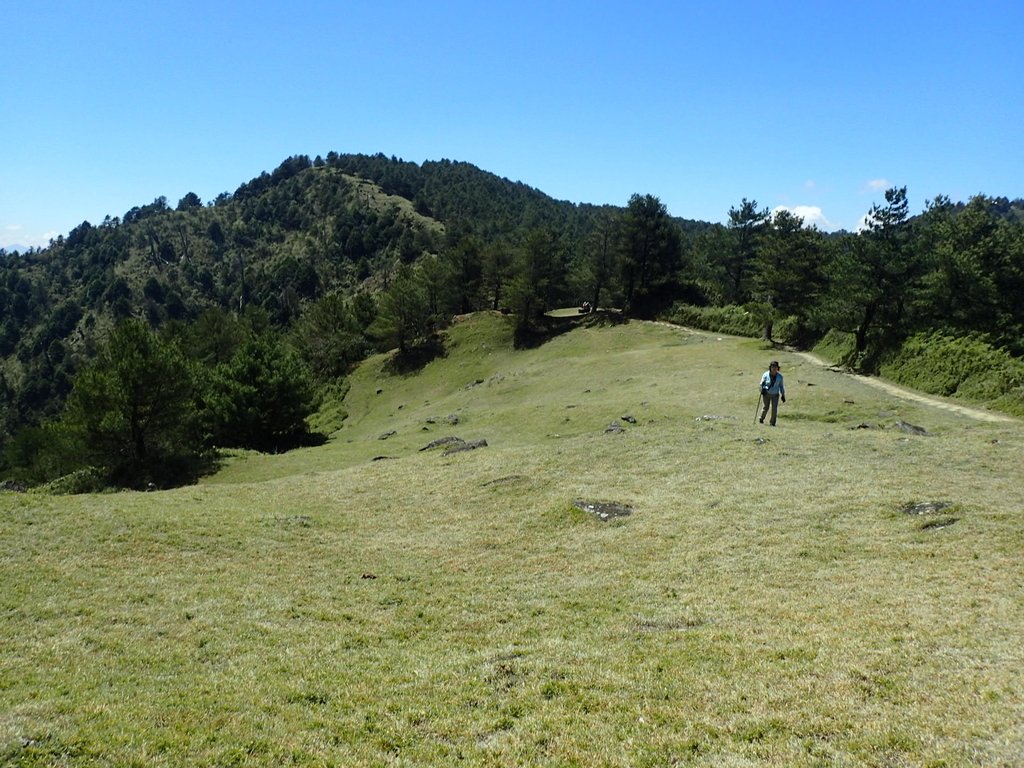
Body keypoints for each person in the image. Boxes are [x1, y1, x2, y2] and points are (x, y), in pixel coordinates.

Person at [759, 360, 786, 426]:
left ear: (777, 368)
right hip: (766, 394)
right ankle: (761, 418)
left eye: (775, 367)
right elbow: (761, 383)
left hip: (775, 395)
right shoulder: (765, 375)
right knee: (766, 407)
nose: (774, 368)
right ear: (770, 367)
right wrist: (762, 388)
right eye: (772, 367)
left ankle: (772, 422)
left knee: (774, 409)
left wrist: (783, 395)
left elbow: (781, 386)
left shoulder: (780, 377)